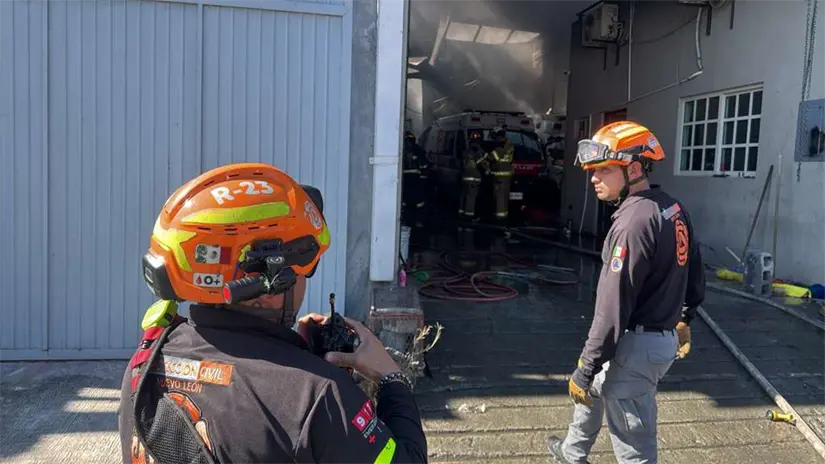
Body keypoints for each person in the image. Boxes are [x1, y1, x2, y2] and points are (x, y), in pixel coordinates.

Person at [119, 163, 428, 464]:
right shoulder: (319, 398)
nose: (306, 282)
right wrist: (391, 378)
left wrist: (291, 352)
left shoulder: (145, 363)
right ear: (268, 288)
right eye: (306, 271)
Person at [547, 121, 706, 464]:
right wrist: (684, 318)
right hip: (653, 339)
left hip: (637, 346)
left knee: (634, 446)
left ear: (633, 169)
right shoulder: (672, 208)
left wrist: (586, 366)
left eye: (604, 169)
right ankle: (572, 454)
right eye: (593, 170)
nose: (593, 178)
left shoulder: (632, 223)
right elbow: (695, 268)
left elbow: (612, 305)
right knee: (593, 391)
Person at [487, 126, 515, 222]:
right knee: (505, 197)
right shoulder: (510, 146)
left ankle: (499, 218)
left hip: (499, 175)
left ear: (498, 137)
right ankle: (504, 215)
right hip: (508, 176)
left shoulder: (498, 149)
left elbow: (490, 159)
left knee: (499, 197)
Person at [458, 130, 487, 219]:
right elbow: (483, 163)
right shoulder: (479, 152)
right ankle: (469, 216)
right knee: (471, 197)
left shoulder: (466, 151)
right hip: (474, 176)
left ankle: (461, 212)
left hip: (465, 175)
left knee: (464, 195)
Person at [401, 131, 427, 228]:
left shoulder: (402, 150)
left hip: (406, 180)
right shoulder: (419, 150)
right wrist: (424, 177)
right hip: (416, 180)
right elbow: (425, 165)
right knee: (419, 202)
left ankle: (404, 219)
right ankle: (418, 221)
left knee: (405, 200)